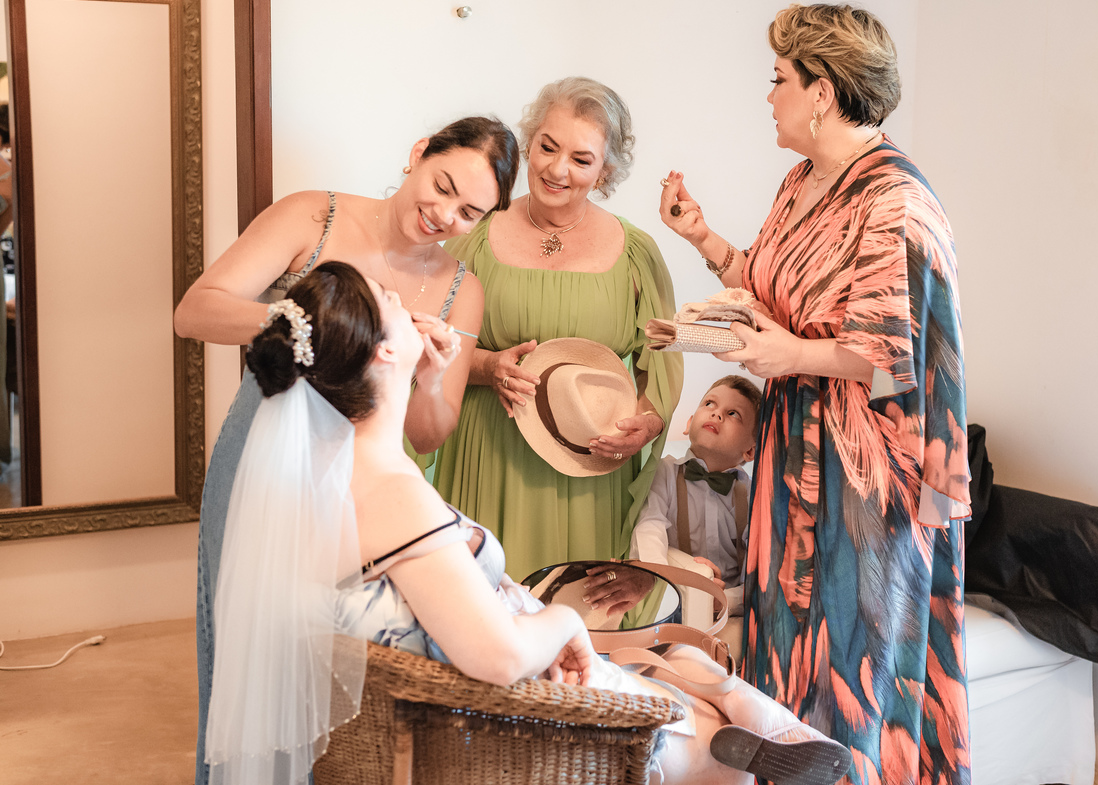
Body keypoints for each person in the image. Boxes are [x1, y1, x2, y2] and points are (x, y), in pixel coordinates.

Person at [207, 259, 853, 785]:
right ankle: (783, 741)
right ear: (384, 350)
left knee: (679, 660)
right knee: (712, 732)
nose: (411, 304)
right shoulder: (395, 495)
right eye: (393, 301)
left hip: (486, 692)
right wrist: (567, 622)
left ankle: (784, 736)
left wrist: (428, 376)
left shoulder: (330, 479)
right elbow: (498, 655)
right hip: (512, 720)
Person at [659, 3, 972, 785]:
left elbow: (892, 356)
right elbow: (775, 286)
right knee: (786, 646)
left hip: (862, 468)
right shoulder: (803, 180)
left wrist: (787, 352)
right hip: (790, 446)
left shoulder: (892, 199)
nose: (770, 97)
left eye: (780, 80)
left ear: (822, 92)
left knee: (850, 659)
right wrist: (702, 237)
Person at [174, 116, 520, 785]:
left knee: (336, 668)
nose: (444, 215)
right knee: (244, 641)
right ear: (418, 153)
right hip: (264, 461)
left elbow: (429, 433)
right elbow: (195, 310)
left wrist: (427, 378)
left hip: (363, 489)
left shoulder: (462, 289)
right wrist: (324, 328)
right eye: (443, 185)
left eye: (468, 212)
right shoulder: (314, 216)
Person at [433, 78, 684, 581]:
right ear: (529, 141)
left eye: (581, 159)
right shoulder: (475, 234)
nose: (556, 169)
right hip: (488, 451)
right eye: (547, 147)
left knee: (575, 614)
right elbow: (427, 341)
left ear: (605, 170)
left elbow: (660, 359)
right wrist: (486, 366)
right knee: (479, 607)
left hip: (587, 465)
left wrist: (648, 422)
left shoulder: (636, 253)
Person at [628, 375, 761, 612]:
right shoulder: (664, 471)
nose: (716, 414)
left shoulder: (754, 496)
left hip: (729, 609)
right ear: (689, 423)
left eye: (733, 414)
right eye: (709, 403)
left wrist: (725, 600)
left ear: (750, 451)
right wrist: (659, 578)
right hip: (674, 599)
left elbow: (761, 570)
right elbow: (649, 526)